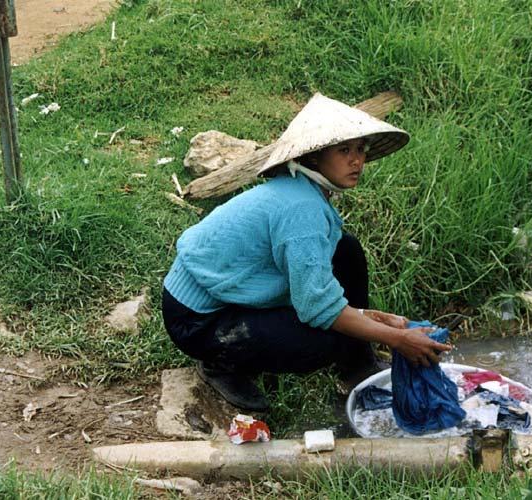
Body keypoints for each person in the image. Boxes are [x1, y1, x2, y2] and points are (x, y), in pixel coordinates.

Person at [162, 93, 451, 411]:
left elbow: (316, 288)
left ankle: (357, 365)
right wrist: (397, 340)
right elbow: (320, 309)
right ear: (313, 157)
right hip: (198, 319)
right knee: (328, 340)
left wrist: (380, 321)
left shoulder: (304, 193)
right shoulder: (302, 209)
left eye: (360, 149)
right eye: (344, 150)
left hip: (228, 293)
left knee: (346, 250)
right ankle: (221, 363)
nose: (357, 160)